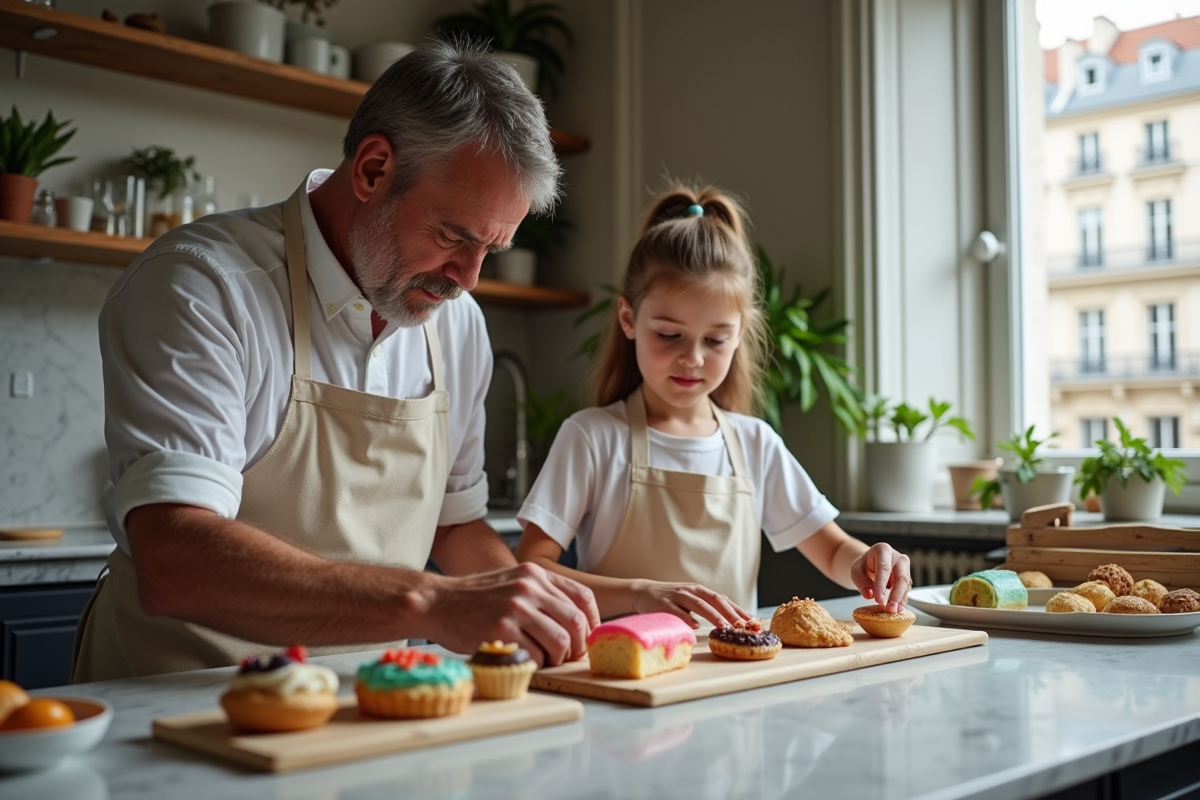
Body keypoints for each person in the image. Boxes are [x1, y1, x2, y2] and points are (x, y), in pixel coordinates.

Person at [72, 41, 598, 683]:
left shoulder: (458, 326)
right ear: (374, 170)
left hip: (364, 710)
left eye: (493, 247)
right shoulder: (202, 285)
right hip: (172, 709)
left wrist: (597, 601)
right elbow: (175, 555)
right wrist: (431, 603)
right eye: (454, 236)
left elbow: (456, 532)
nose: (469, 278)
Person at [515, 186, 912, 627]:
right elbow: (533, 569)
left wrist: (870, 561)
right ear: (628, 319)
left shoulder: (754, 443)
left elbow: (835, 550)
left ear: (740, 333)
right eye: (669, 335)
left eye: (716, 339)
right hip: (625, 676)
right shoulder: (592, 437)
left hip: (731, 680)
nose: (693, 358)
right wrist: (641, 594)